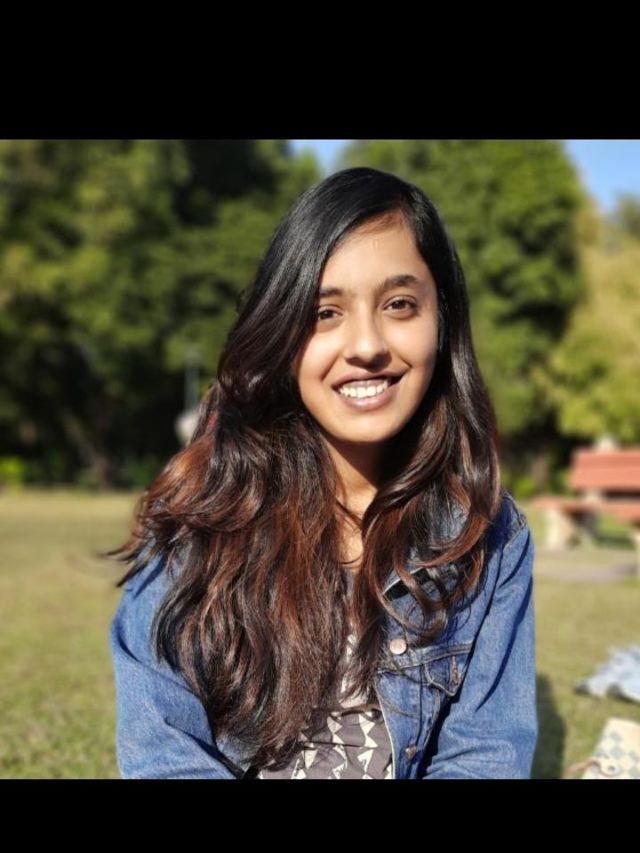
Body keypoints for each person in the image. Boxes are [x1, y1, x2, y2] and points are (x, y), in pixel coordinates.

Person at [108, 166, 538, 779]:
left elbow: (485, 755)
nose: (366, 345)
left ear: (442, 321)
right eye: (325, 312)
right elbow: (165, 755)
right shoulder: (195, 520)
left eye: (399, 305)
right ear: (281, 330)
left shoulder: (487, 535)